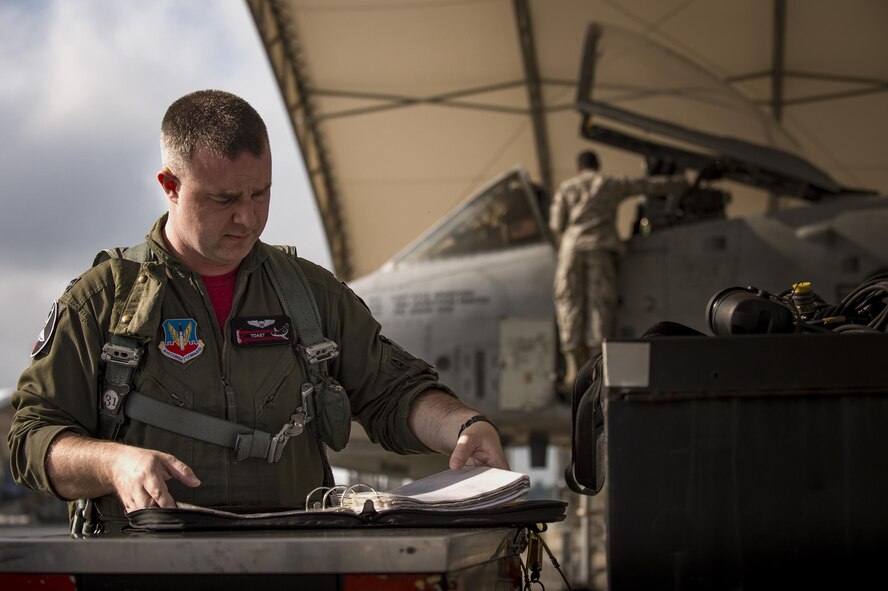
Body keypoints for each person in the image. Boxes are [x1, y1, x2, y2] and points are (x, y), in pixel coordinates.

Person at [7, 89, 507, 534]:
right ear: (169, 185)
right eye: (223, 199)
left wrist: (463, 428)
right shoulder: (103, 301)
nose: (247, 218)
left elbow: (392, 391)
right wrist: (111, 462)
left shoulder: (313, 295)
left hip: (290, 565)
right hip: (147, 565)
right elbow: (31, 440)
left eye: (260, 193)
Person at [549, 150, 687, 390]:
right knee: (599, 305)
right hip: (600, 248)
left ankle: (573, 368)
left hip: (571, 251)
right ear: (597, 165)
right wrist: (677, 184)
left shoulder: (567, 187)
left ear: (579, 167)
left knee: (569, 302)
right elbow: (644, 185)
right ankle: (595, 366)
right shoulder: (609, 183)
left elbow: (556, 224)